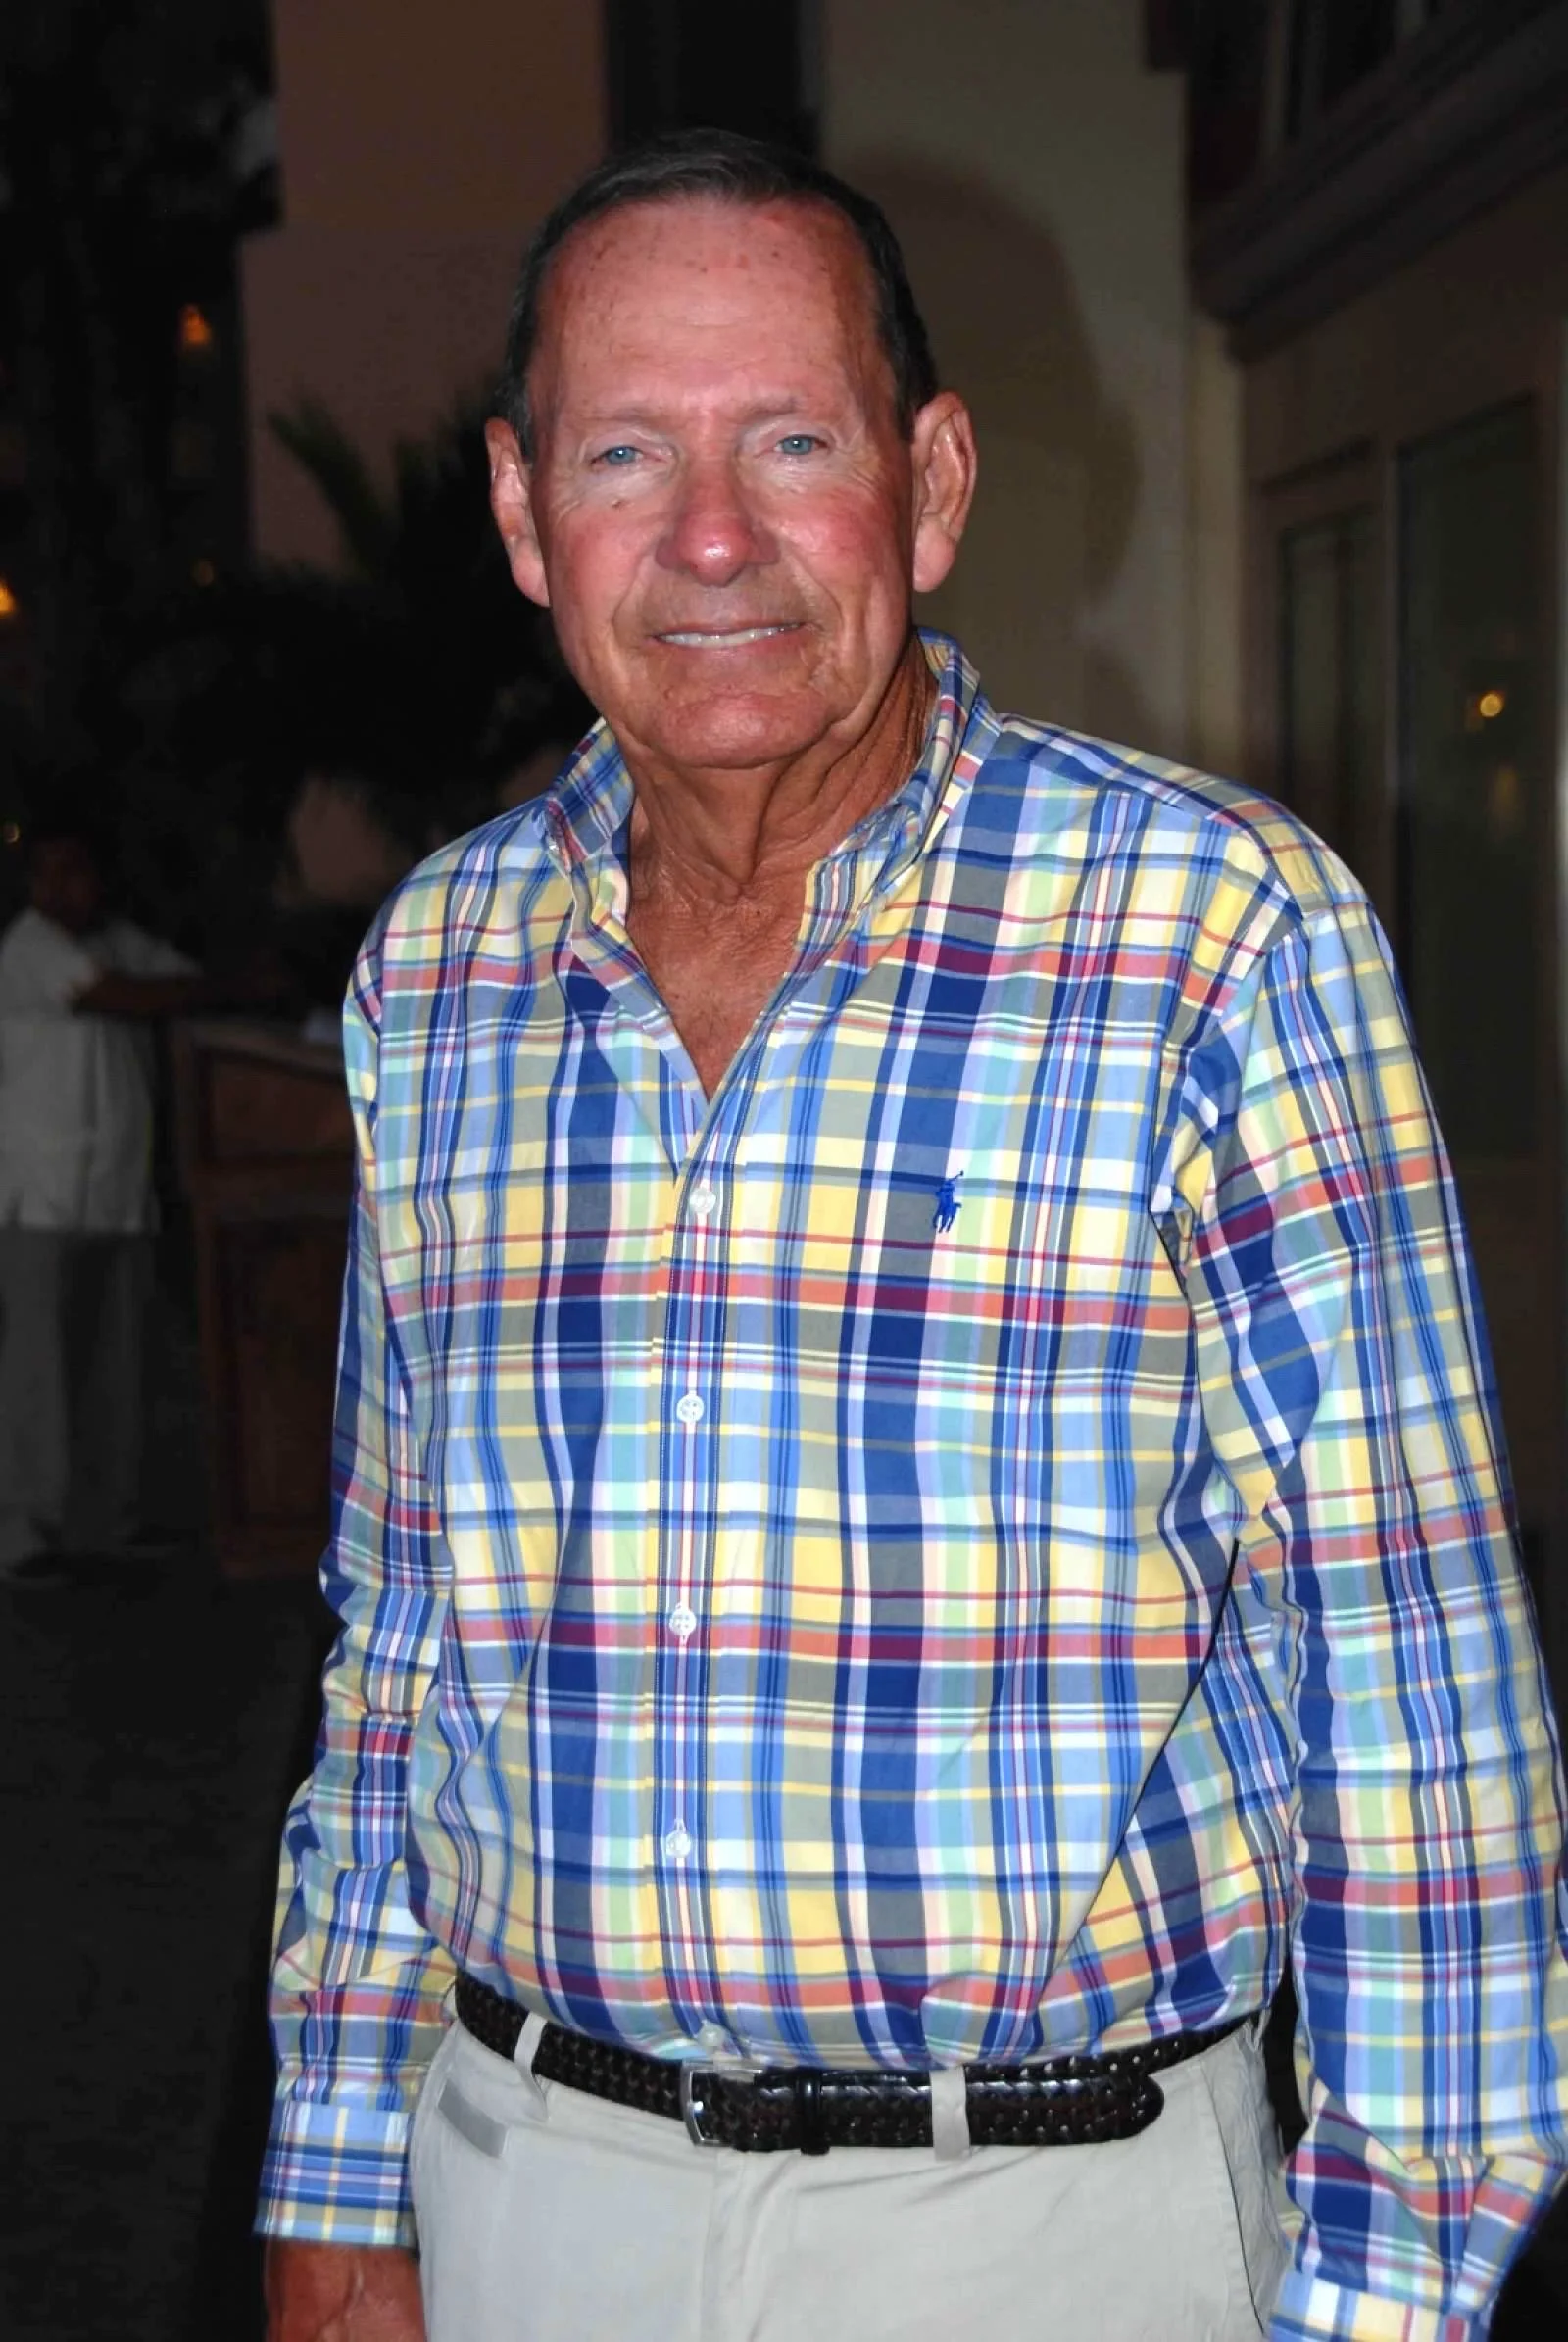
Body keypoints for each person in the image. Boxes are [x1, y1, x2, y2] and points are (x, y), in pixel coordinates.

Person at [259, 133, 1568, 2342]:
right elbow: (401, 1639)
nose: (710, 535)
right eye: (623, 452)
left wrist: (1392, 2297)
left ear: (931, 482)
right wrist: (335, 2181)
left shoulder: (1212, 937)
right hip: (522, 2193)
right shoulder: (441, 972)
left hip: (1043, 2232)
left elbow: (1418, 1699)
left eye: (792, 438)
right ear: (521, 510)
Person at [0, 819, 210, 1584]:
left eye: (76, 870)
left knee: (115, 1369)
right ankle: (24, 1534)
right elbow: (116, 994)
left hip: (119, 1191)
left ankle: (108, 1523)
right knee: (40, 1375)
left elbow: (186, 984)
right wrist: (180, 990)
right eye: (49, 872)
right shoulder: (28, 947)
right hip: (42, 1195)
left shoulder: (120, 940)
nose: (62, 887)